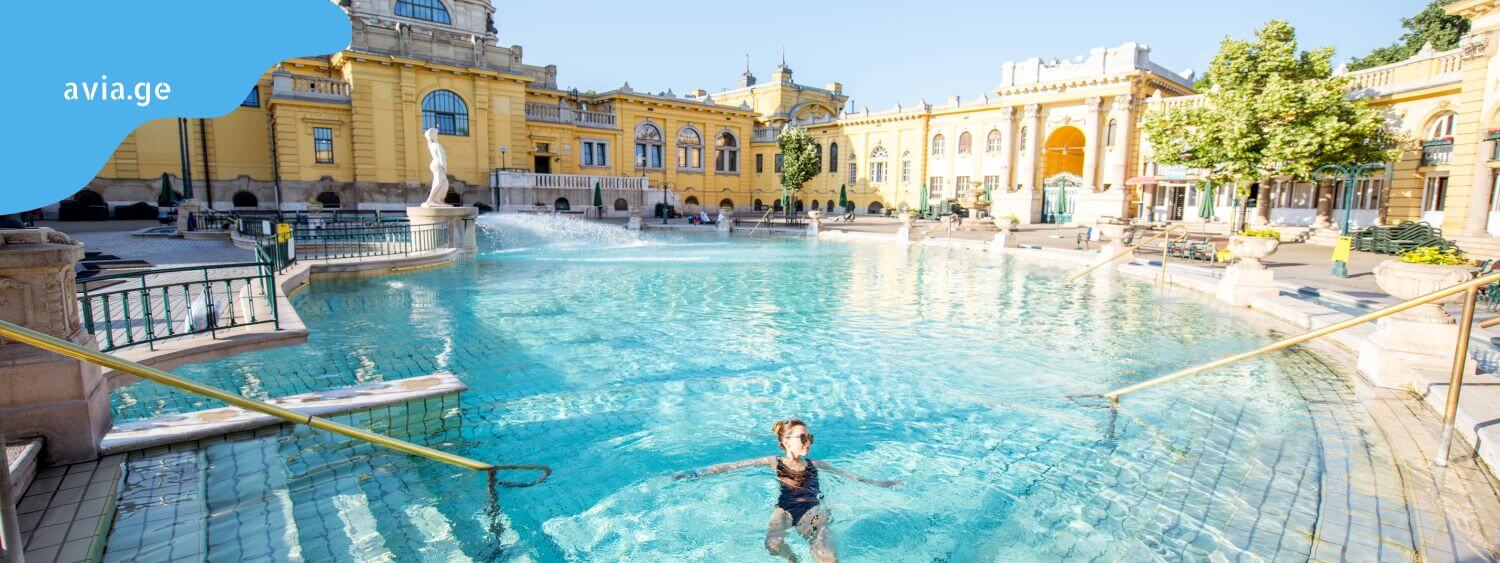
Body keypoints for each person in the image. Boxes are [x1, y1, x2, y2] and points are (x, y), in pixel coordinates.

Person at [675, 419, 900, 562]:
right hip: (784, 510)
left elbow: (851, 477)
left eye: (809, 437)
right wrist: (698, 473)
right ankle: (793, 559)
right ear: (785, 441)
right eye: (802, 437)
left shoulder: (816, 464)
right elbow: (735, 466)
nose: (807, 442)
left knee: (826, 557)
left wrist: (881, 484)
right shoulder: (774, 461)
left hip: (811, 509)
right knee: (772, 546)